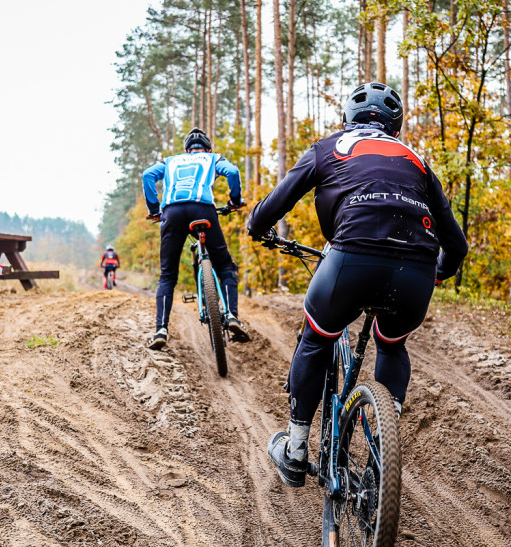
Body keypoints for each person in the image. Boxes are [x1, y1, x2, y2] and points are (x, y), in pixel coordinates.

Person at [247, 82, 469, 487]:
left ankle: (296, 451)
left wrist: (256, 226)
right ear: (396, 127)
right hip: (416, 271)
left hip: (350, 258)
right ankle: (382, 454)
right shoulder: (417, 161)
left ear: (347, 119)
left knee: (316, 339)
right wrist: (437, 271)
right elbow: (456, 244)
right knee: (392, 343)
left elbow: (276, 204)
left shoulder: (328, 147)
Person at [142, 127, 250, 350]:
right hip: (203, 210)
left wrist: (154, 209)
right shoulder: (212, 158)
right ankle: (231, 316)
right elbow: (232, 172)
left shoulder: (171, 161)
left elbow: (147, 175)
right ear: (207, 149)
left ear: (186, 150)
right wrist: (234, 201)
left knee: (168, 275)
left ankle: (161, 329)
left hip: (172, 213)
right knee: (225, 267)